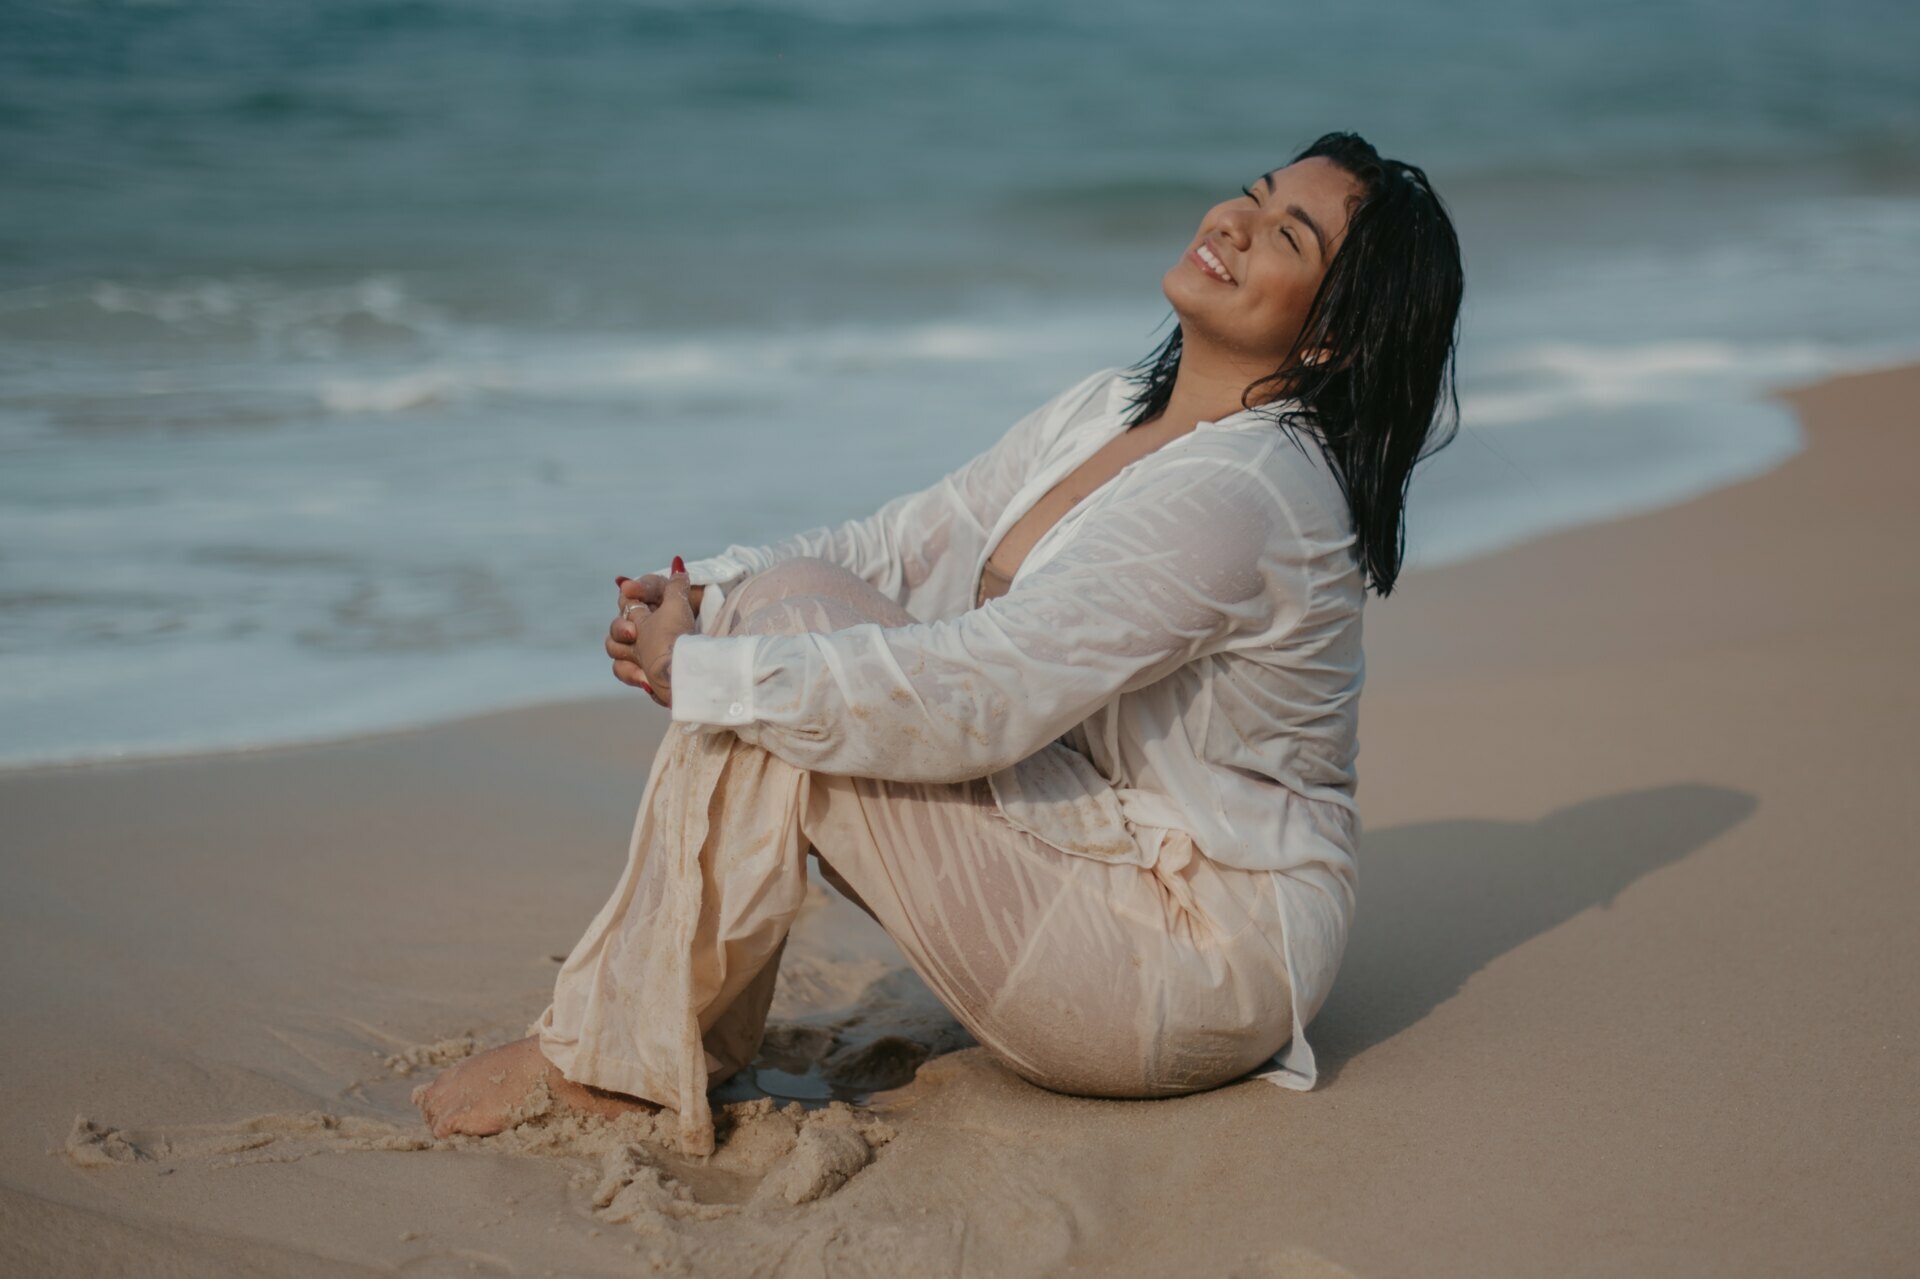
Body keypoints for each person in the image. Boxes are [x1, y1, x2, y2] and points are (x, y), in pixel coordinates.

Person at [415, 130, 1465, 1153]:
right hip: (1096, 854)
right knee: (780, 614)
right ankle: (648, 1039)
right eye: (1255, 189)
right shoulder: (1113, 408)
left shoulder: (1249, 492)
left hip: (1188, 963)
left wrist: (704, 667)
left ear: (1333, 339)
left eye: (1288, 235)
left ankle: (618, 1058)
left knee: (770, 677)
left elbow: (981, 693)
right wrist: (709, 590)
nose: (1235, 220)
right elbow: (904, 545)